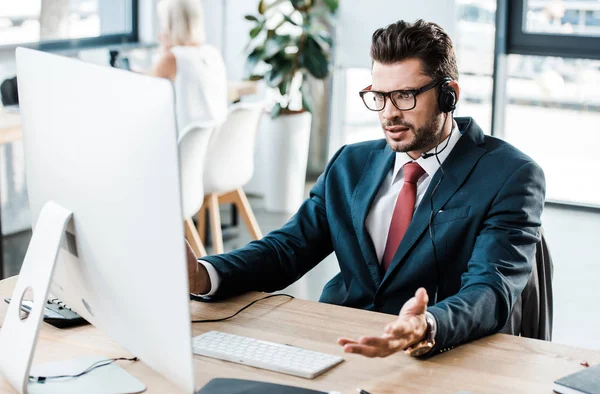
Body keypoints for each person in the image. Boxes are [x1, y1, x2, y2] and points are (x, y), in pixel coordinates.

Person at [186, 19, 546, 358]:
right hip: (339, 340)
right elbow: (288, 249)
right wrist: (205, 274)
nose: (388, 113)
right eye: (379, 96)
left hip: (436, 351)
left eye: (405, 95)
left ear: (448, 94)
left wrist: (427, 325)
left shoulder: (511, 175)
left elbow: (490, 289)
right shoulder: (350, 164)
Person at [151, 0, 228, 131]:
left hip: (185, 146)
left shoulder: (171, 58)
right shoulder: (213, 53)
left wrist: (163, 52)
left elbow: (147, 93)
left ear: (171, 25)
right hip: (216, 144)